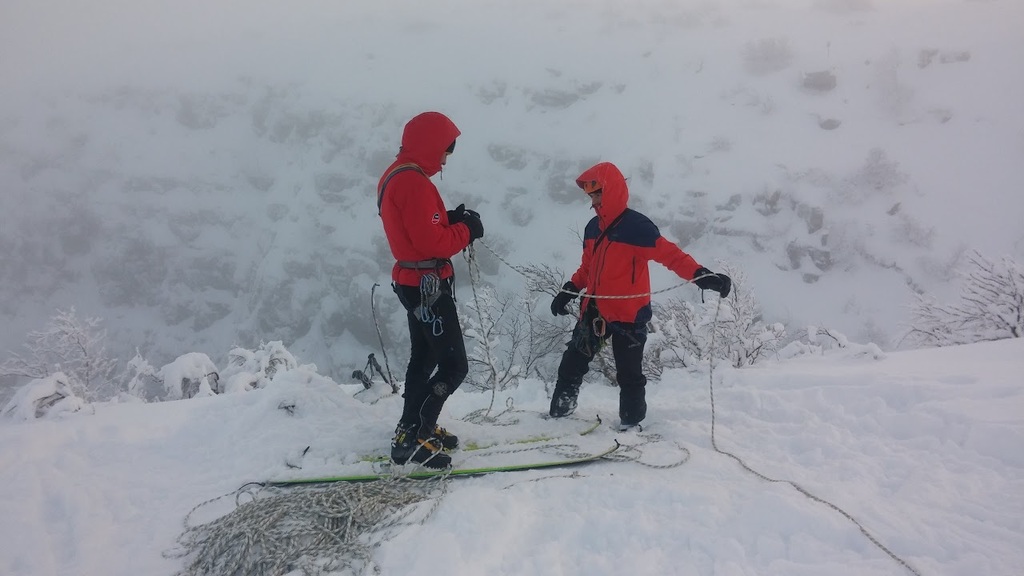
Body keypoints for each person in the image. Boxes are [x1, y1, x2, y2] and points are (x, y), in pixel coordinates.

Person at [548, 161, 731, 430]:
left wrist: (702, 276)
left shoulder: (637, 227)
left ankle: (630, 426)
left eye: (597, 193)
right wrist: (569, 289)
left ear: (610, 191)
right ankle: (559, 416)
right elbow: (588, 268)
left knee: (630, 375)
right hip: (596, 310)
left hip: (629, 316)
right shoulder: (592, 228)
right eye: (590, 195)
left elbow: (671, 255)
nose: (593, 199)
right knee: (572, 364)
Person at [376, 111, 484, 468]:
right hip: (429, 286)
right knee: (454, 366)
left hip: (412, 282)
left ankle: (413, 430)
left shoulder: (395, 175)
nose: (445, 159)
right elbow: (433, 241)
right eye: (445, 151)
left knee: (423, 360)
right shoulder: (416, 183)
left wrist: (449, 217)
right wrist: (467, 230)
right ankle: (416, 434)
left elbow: (417, 226)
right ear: (432, 145)